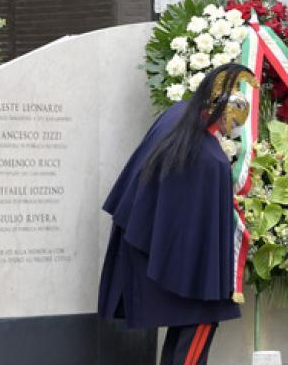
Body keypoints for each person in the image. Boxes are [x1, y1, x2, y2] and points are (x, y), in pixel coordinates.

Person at [97, 63, 257, 365]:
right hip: (195, 274)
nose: (226, 132)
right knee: (197, 331)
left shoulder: (177, 116)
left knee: (182, 336)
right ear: (221, 113)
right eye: (228, 125)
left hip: (154, 250)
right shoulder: (211, 159)